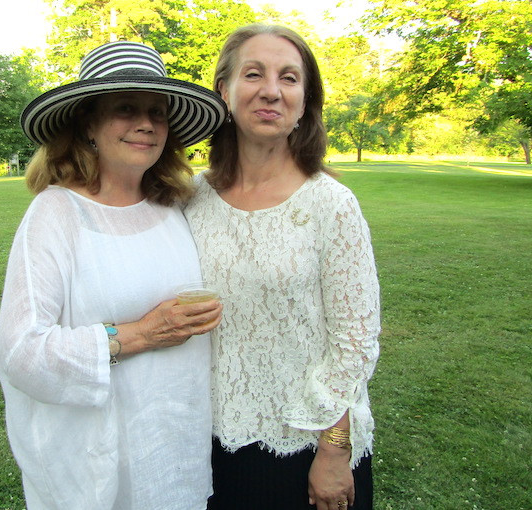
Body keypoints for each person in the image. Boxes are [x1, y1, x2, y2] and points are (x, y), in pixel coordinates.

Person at [0, 41, 228, 510]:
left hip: (176, 448)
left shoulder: (174, 206)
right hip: (101, 459)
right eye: (125, 108)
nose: (146, 123)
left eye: (157, 112)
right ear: (88, 125)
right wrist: (140, 334)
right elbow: (18, 351)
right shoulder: (57, 213)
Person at [183, 24, 381, 510]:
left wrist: (333, 450)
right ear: (224, 92)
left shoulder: (331, 205)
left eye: (289, 78)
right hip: (206, 443)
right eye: (254, 74)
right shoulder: (189, 197)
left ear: (304, 100)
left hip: (304, 446)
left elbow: (355, 341)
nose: (271, 90)